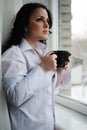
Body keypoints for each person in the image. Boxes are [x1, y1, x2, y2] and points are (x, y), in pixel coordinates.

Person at [2, 3, 71, 130]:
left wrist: (60, 71)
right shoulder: (13, 54)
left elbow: (48, 91)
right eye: (40, 19)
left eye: (47, 21)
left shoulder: (43, 53)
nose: (46, 24)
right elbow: (15, 97)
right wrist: (42, 68)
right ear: (25, 25)